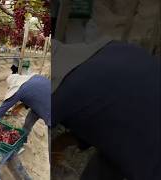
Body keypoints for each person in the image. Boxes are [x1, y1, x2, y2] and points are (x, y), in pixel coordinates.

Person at [52, 38, 161, 180]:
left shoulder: (63, 93)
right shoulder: (113, 47)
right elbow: (109, 103)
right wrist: (64, 141)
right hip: (137, 122)